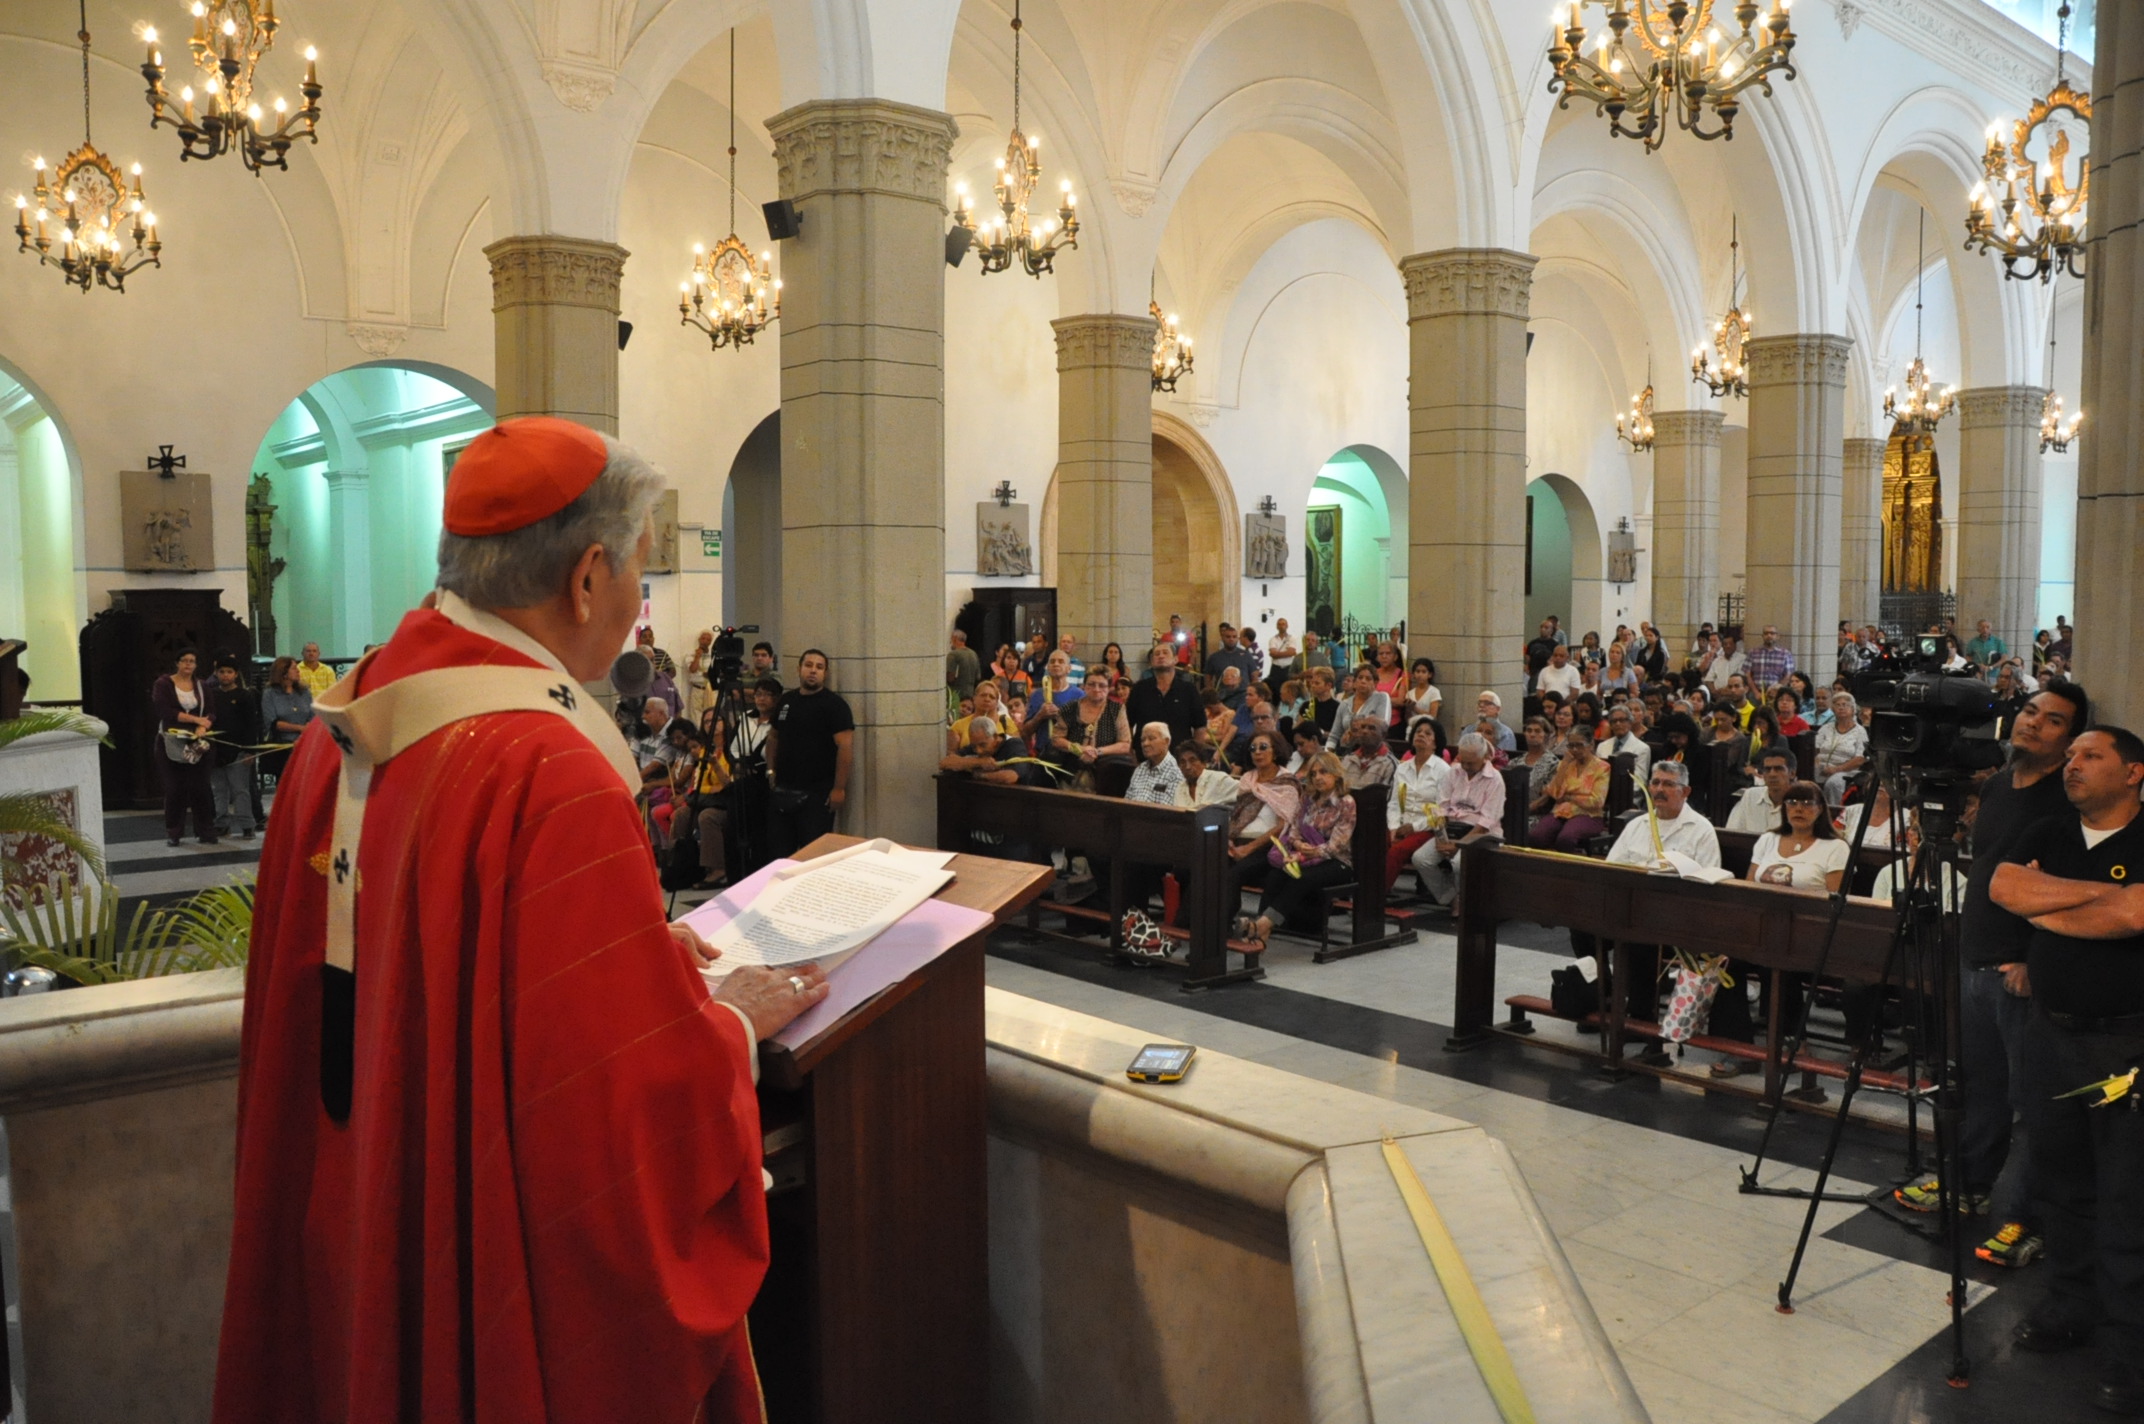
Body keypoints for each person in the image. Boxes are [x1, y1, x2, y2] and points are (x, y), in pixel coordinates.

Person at [215, 417, 829, 1421]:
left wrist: (626, 952)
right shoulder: (548, 770)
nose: (637, 605)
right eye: (636, 567)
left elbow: (440, 955)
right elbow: (605, 1132)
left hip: (360, 1192)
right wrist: (720, 1027)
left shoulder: (355, 711)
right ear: (587, 576)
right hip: (465, 1239)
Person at [1892, 685, 2089, 1256]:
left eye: (2052, 721)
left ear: (2069, 740)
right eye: (2030, 712)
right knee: (1980, 1085)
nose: (2033, 725)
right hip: (1976, 954)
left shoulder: (2062, 799)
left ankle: (2026, 1216)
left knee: (2031, 1100)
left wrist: (2032, 955)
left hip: (2020, 968)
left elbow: (2062, 886)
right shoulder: (2001, 783)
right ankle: (1968, 1186)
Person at [1989, 725, 2144, 1411]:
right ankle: (2068, 1306)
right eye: (2071, 755)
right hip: (2049, 1033)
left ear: (2134, 773)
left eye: (2091, 756)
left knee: (2126, 1198)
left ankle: (2127, 1346)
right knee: (2061, 1180)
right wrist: (2096, 900)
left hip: (2125, 1047)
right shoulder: (2049, 829)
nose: (2073, 765)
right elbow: (2002, 888)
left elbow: (2136, 912)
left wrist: (2051, 901)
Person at [1581, 760, 1723, 1031]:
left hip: (1676, 917)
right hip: (1630, 908)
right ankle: (1605, 997)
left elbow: (1708, 879)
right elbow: (1612, 867)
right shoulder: (1638, 825)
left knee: (1641, 939)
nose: (1659, 789)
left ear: (1686, 791)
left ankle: (1640, 1018)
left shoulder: (1700, 828)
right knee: (1582, 929)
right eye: (1656, 783)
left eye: (1669, 784)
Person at [1238, 751, 1355, 946]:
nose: (1318, 778)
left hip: (1337, 862)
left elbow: (1336, 846)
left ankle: (1261, 926)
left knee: (1301, 877)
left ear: (1335, 774)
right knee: (1276, 874)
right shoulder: (1308, 799)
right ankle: (1262, 929)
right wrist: (1298, 845)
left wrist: (1303, 855)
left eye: (1323, 772)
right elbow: (1293, 828)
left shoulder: (1346, 802)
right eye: (1314, 774)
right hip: (1304, 855)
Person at [768, 649, 855, 857]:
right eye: (808, 665)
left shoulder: (835, 705)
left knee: (813, 855)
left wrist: (839, 788)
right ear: (799, 669)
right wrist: (770, 772)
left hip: (817, 795)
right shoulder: (786, 701)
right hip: (783, 790)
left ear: (825, 673)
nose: (813, 671)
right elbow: (773, 737)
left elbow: (845, 747)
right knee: (780, 856)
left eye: (819, 667)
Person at [1409, 733, 1506, 907]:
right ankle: (1451, 896)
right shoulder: (1454, 772)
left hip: (1480, 834)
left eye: (1471, 763)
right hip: (1451, 828)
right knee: (1420, 858)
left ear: (1484, 758)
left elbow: (1487, 821)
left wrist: (1459, 845)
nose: (1466, 766)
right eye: (1463, 761)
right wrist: (1442, 839)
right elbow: (1441, 807)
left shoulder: (1495, 779)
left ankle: (1466, 902)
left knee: (1460, 863)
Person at [150, 648, 219, 847]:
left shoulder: (202, 685)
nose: (188, 664)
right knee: (175, 789)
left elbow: (211, 712)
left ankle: (205, 831)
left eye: (192, 661)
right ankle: (174, 832)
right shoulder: (163, 684)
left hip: (198, 741)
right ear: (177, 663)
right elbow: (165, 710)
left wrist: (202, 725)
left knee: (201, 788)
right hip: (172, 741)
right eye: (184, 661)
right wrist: (195, 718)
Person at [1387, 718, 1451, 887]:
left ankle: (1377, 896)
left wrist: (1413, 827)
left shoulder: (1443, 770)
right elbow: (1393, 803)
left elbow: (1441, 811)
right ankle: (1363, 891)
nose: (1421, 734)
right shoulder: (1402, 768)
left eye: (1427, 733)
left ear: (1436, 743)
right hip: (1401, 825)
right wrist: (1393, 828)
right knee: (1373, 845)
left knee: (1397, 851)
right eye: (1418, 731)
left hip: (1428, 828)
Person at [1529, 729, 1609, 852]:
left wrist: (1568, 797)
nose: (1575, 750)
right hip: (1561, 812)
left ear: (1591, 744)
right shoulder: (1565, 764)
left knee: (1565, 839)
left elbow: (1597, 801)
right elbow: (1555, 793)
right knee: (1536, 837)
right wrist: (1565, 764)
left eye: (1579, 745)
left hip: (1588, 814)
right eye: (1571, 745)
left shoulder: (1602, 767)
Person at [208, 654, 260, 839]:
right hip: (217, 750)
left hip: (238, 750)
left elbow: (251, 725)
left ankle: (247, 825)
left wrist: (250, 751)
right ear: (216, 673)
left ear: (236, 674)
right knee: (219, 790)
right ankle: (221, 823)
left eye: (229, 672)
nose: (225, 676)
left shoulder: (244, 695)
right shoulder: (212, 695)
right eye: (221, 672)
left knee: (240, 790)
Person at [1053, 667, 1132, 772]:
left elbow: (1125, 745)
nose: (1096, 689)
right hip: (1069, 769)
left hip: (1106, 773)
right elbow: (1056, 739)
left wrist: (1097, 751)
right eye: (1091, 684)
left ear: (1109, 688)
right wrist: (1080, 749)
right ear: (1084, 687)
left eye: (1102, 685)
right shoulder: (1069, 708)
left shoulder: (1117, 709)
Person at [1126, 642, 1202, 745]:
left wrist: (1195, 753)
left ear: (1175, 659)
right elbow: (1127, 724)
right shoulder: (1139, 689)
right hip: (1144, 755)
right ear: (1152, 662)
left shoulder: (1188, 690)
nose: (1161, 656)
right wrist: (1131, 751)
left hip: (1180, 754)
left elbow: (1200, 726)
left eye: (1165, 653)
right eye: (1157, 654)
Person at [259, 655, 313, 782]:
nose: (298, 671)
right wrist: (300, 728)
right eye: (294, 668)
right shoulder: (270, 694)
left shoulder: (304, 692)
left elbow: (313, 717)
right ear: (283, 672)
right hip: (282, 747)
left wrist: (302, 736)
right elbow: (272, 722)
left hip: (304, 745)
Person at [1727, 745, 1798, 833]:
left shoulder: (1800, 803)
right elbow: (1732, 834)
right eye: (1767, 769)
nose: (1772, 774)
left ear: (1792, 774)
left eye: (1778, 769)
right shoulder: (1750, 796)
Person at [1815, 693, 1869, 805]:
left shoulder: (1860, 731)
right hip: (1821, 768)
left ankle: (1834, 813)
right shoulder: (1826, 728)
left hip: (1847, 771)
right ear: (1833, 709)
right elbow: (1814, 749)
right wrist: (1818, 765)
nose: (1841, 707)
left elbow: (1860, 758)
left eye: (1845, 705)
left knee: (1833, 783)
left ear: (1853, 709)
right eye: (1837, 705)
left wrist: (1836, 769)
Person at [1326, 666, 1392, 749]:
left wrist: (1353, 731)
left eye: (1368, 679)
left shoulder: (1381, 697)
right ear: (1354, 682)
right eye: (1360, 678)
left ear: (1375, 683)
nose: (1363, 681)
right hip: (1345, 750)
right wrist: (1328, 752)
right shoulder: (1344, 704)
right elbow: (1334, 735)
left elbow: (1382, 727)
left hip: (1372, 749)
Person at [1126, 722, 1185, 805]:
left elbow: (1166, 812)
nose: (1145, 744)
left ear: (1166, 741)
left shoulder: (1176, 773)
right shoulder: (1140, 769)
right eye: (1142, 740)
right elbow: (1126, 802)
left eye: (1151, 738)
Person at [1174, 740, 1238, 810]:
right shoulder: (1179, 789)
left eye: (1192, 760)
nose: (1187, 767)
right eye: (1182, 762)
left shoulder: (1218, 780)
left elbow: (1246, 791)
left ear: (1204, 763)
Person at [1338, 716, 1396, 791]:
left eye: (1371, 728)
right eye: (1362, 727)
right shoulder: (1348, 759)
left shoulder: (1389, 764)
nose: (1365, 731)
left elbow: (1388, 797)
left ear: (1383, 735)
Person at [1596, 703, 1652, 781]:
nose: (1618, 724)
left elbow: (1639, 779)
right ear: (1611, 725)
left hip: (1628, 790)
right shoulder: (1601, 746)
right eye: (1614, 721)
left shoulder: (1642, 748)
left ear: (1630, 722)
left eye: (1622, 720)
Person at [1205, 623, 1256, 708]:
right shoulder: (1214, 657)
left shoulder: (1246, 655)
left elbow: (1254, 676)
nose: (1231, 639)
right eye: (1228, 637)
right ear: (1222, 638)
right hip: (1223, 698)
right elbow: (1208, 677)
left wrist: (1253, 694)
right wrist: (1211, 694)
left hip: (1243, 696)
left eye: (1234, 637)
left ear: (1237, 638)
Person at [1516, 716, 1562, 808]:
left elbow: (1547, 797)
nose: (1532, 734)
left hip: (1536, 813)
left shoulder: (1553, 764)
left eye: (1537, 731)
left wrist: (1526, 811)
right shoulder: (1515, 762)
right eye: (1529, 731)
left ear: (1547, 735)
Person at [1745, 624, 1795, 691]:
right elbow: (1747, 675)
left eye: (1772, 633)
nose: (1769, 635)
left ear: (1777, 636)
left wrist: (1777, 689)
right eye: (1766, 633)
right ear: (1762, 636)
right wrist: (1756, 692)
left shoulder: (1785, 654)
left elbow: (1789, 675)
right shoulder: (1753, 653)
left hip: (1777, 693)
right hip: (1756, 693)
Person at [1397, 657, 1441, 728]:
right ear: (1413, 674)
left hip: (1428, 727)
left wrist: (1415, 708)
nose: (1420, 675)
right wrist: (1408, 708)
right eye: (1417, 671)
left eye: (1424, 672)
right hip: (1412, 728)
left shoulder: (1434, 692)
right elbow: (1407, 718)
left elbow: (1433, 716)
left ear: (1430, 674)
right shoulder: (1409, 693)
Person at [946, 628, 982, 707]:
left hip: (956, 695)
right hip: (971, 695)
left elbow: (950, 677)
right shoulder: (974, 654)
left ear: (954, 639)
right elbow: (978, 677)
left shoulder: (953, 655)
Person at [1474, 690, 1517, 754]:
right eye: (1479, 703)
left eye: (1487, 703)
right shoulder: (1468, 729)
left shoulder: (1506, 733)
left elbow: (1504, 757)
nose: (1481, 705)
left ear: (1498, 709)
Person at [1523, 620, 1560, 692]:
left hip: (1547, 673)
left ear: (1551, 630)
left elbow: (1554, 659)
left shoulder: (1554, 644)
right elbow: (1527, 658)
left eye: (1546, 628)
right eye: (1541, 627)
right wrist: (1527, 667)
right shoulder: (1532, 643)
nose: (1543, 629)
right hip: (1533, 672)